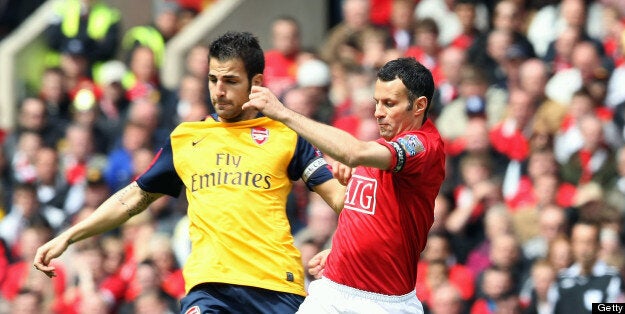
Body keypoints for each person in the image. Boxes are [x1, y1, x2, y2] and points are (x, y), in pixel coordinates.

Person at [33, 31, 347, 313]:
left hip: (275, 286)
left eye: (231, 81)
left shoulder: (286, 135)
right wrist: (70, 236)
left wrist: (340, 247)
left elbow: (340, 200)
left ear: (257, 83)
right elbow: (133, 198)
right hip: (209, 288)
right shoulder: (186, 138)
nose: (219, 91)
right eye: (213, 79)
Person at [244, 56, 446, 313]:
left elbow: (352, 153)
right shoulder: (382, 146)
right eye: (376, 102)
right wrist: (343, 252)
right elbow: (360, 209)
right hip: (333, 291)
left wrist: (283, 113)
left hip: (385, 303)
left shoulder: (422, 146)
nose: (378, 112)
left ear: (419, 106)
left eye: (389, 104)